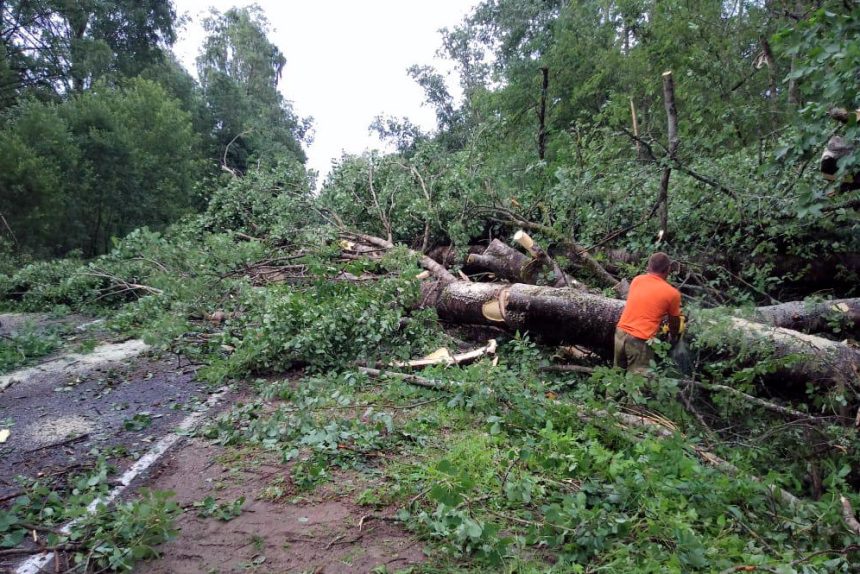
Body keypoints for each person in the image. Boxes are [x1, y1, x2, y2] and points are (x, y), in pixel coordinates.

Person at [614, 252, 682, 373]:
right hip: (640, 340)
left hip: (620, 333)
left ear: (649, 266)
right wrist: (673, 335)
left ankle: (612, 393)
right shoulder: (672, 294)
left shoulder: (637, 280)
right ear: (668, 269)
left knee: (615, 376)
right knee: (639, 384)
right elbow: (674, 322)